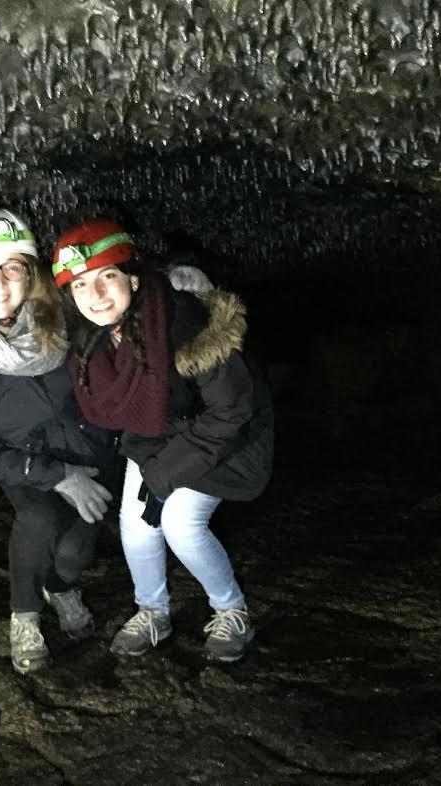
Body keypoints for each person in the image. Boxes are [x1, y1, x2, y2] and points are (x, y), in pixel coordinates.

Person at [52, 219, 273, 663]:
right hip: (157, 438)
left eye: (107, 277)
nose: (95, 296)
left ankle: (232, 611)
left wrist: (162, 476)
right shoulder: (93, 336)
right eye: (80, 285)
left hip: (229, 437)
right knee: (135, 526)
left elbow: (231, 411)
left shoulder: (185, 325)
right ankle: (153, 611)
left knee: (181, 525)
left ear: (132, 277)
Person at [0, 209, 117, 674]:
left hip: (90, 455)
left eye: (13, 265)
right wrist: (57, 477)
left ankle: (61, 587)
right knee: (37, 521)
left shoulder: (67, 328)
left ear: (31, 275)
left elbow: (123, 339)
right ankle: (25, 616)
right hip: (23, 465)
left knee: (74, 554)